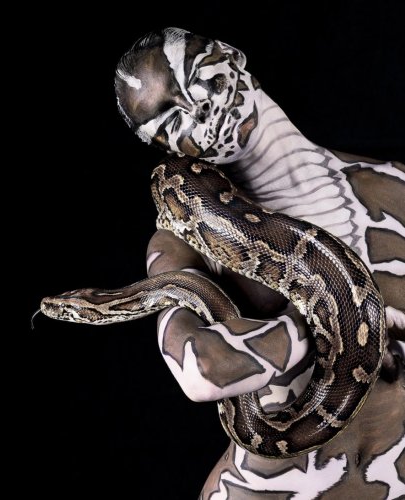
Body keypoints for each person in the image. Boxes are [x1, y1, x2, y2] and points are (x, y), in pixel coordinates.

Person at [114, 28, 405, 498]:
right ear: (168, 149)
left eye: (194, 78)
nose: (194, 108)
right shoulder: (182, 239)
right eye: (169, 120)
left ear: (231, 57)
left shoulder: (395, 182)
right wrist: (337, 319)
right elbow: (200, 372)